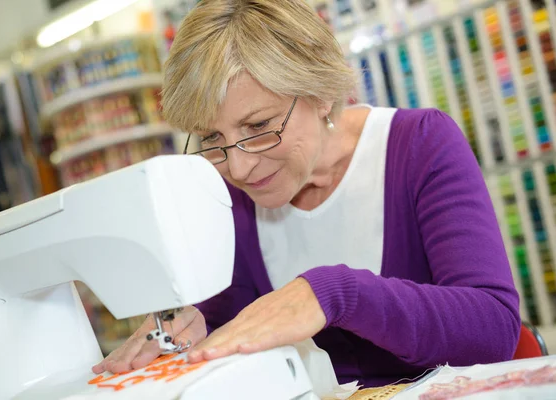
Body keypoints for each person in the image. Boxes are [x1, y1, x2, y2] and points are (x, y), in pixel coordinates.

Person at [92, 0, 521, 388]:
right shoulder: (231, 196)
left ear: (322, 93)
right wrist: (189, 323)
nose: (238, 167)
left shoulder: (420, 145)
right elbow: (228, 319)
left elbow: (493, 330)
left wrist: (335, 293)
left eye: (259, 128)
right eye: (211, 137)